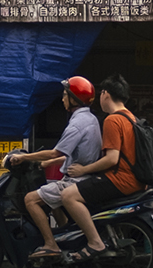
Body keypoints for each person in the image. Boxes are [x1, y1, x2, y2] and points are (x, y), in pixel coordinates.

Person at [19, 76, 105, 265]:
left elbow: (55, 152)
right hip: (84, 176)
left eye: (65, 95)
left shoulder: (76, 124)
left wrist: (23, 157)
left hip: (76, 181)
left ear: (74, 99)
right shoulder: (90, 118)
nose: (62, 99)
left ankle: (51, 244)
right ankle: (68, 238)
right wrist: (46, 164)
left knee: (31, 199)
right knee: (50, 199)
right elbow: (70, 153)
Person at [60, 73, 145, 222]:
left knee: (68, 195)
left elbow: (112, 159)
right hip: (137, 181)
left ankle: (95, 243)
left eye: (101, 93)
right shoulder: (131, 118)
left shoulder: (112, 120)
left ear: (105, 94)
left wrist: (83, 170)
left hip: (120, 180)